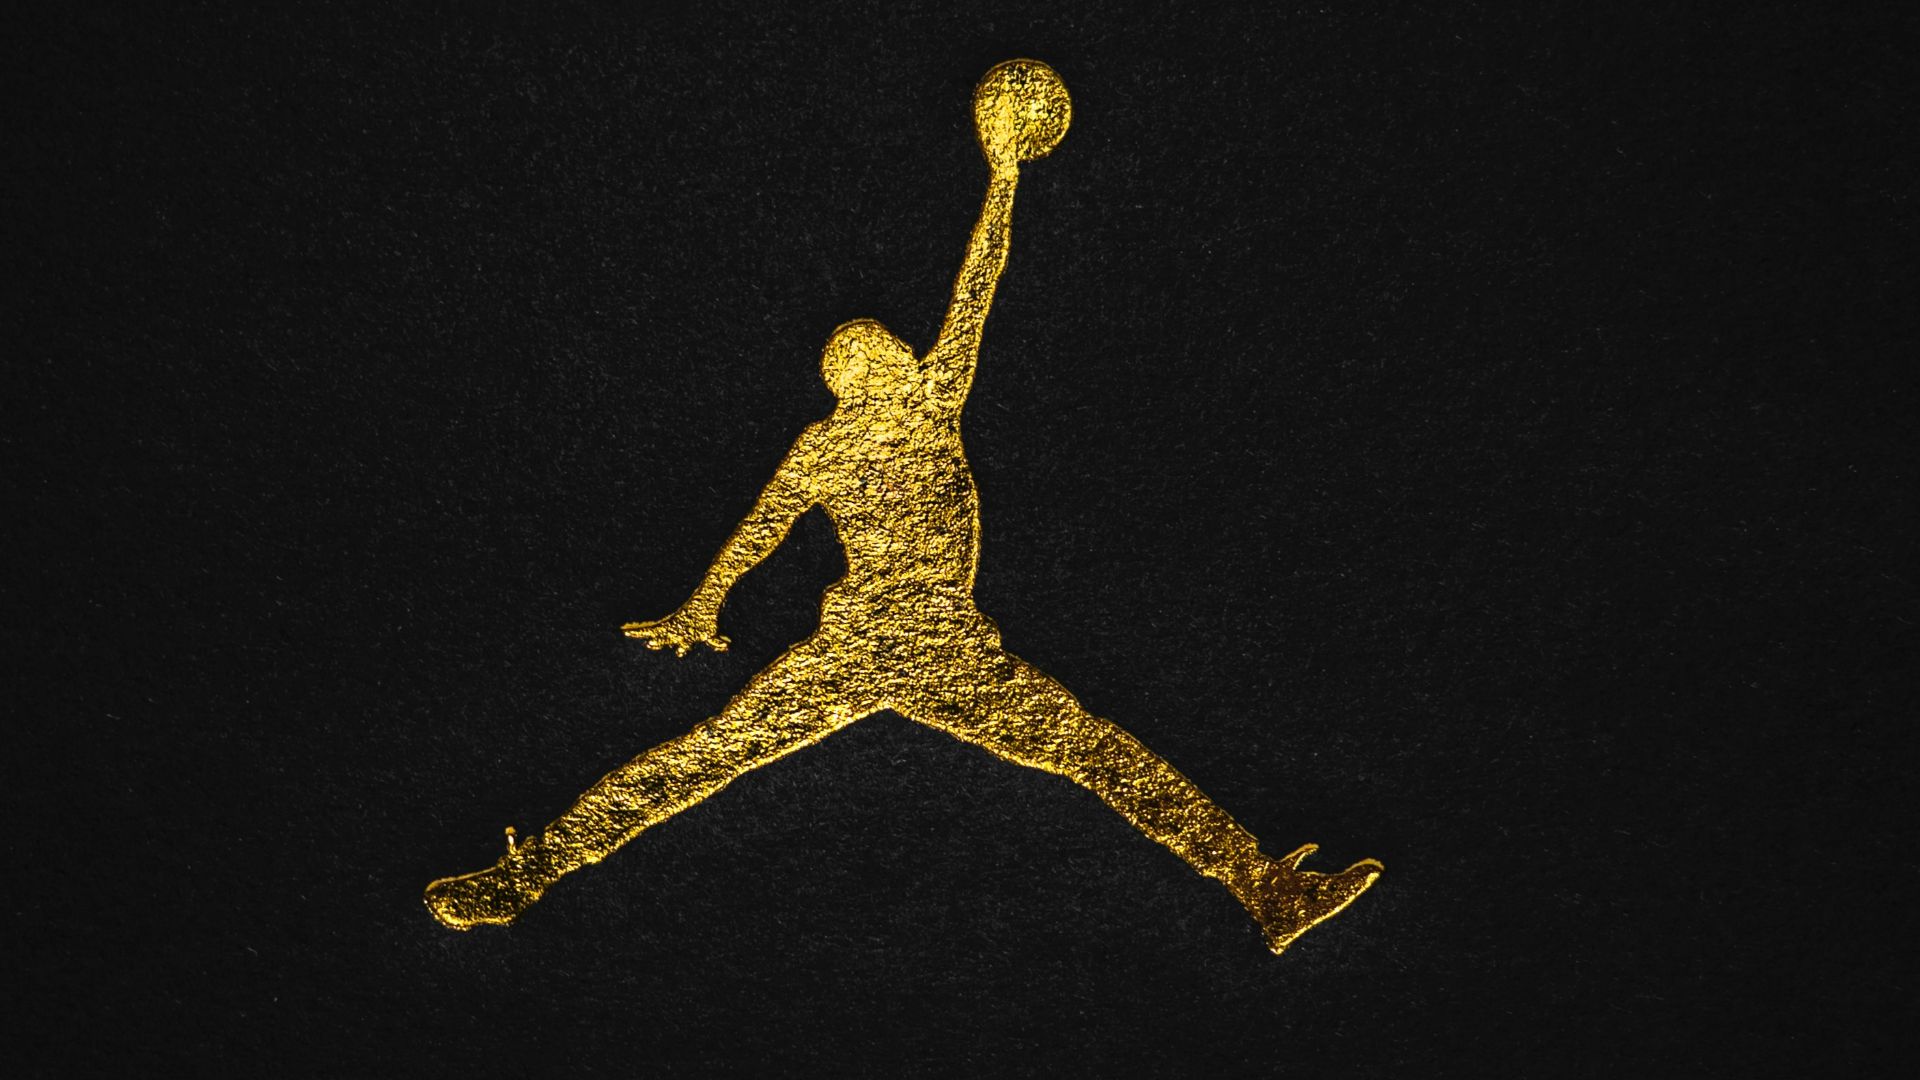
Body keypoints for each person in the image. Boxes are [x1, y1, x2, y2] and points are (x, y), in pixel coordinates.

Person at [425, 60, 1380, 955]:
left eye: (884, 344)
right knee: (713, 757)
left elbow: (976, 288)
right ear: (851, 377)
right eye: (872, 349)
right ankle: (525, 875)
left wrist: (1003, 178)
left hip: (937, 644)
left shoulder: (920, 405)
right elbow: (765, 525)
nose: (890, 351)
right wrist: (703, 602)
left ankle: (1266, 887)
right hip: (877, 641)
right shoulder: (864, 429)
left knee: (1087, 754)